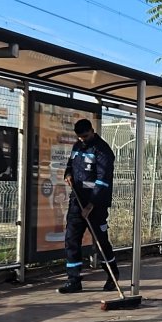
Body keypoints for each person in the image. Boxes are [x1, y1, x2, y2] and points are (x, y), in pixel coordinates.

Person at [59, 119, 119, 294]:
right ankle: (74, 280)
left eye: (85, 136)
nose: (82, 140)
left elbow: (103, 180)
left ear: (92, 131)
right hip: (77, 201)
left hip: (96, 205)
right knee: (71, 239)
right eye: (79, 137)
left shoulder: (103, 151)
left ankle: (112, 275)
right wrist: (68, 174)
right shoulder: (77, 146)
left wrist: (91, 204)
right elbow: (70, 165)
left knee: (100, 242)